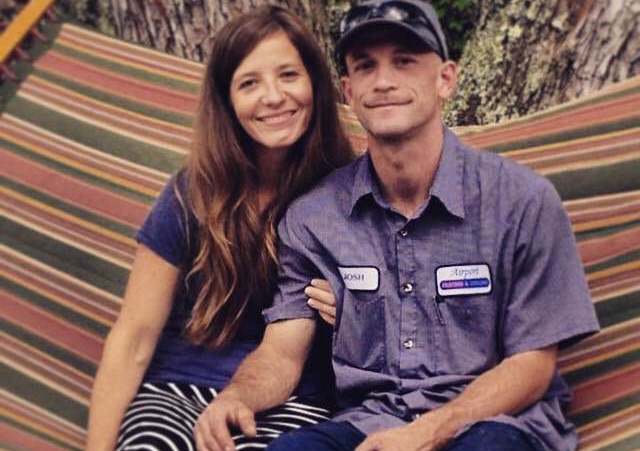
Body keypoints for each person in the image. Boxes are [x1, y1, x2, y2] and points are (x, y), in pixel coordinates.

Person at [195, 1, 601, 451]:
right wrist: (237, 396)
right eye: (366, 67)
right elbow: (282, 352)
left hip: (495, 423)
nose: (384, 82)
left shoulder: (521, 202)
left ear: (446, 78)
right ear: (348, 91)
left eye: (404, 62)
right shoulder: (315, 218)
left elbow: (534, 362)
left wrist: (429, 431)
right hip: (369, 424)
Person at [85, 5, 353, 451]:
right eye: (249, 83)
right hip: (177, 386)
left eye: (288, 75)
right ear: (227, 102)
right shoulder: (192, 194)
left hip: (293, 397)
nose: (273, 96)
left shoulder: (348, 194)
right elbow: (134, 334)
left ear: (316, 84)